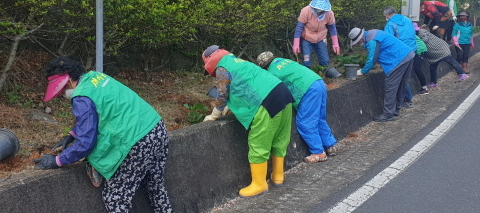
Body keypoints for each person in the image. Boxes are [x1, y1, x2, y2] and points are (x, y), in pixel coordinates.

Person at [34, 56, 172, 213]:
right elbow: (100, 113)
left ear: (68, 81)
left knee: (116, 198)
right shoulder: (95, 77)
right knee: (155, 185)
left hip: (139, 140)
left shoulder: (81, 96)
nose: (62, 94)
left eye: (62, 90)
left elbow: (86, 143)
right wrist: (71, 135)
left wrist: (58, 161)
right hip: (156, 127)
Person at [201, 45, 294, 197]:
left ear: (210, 62)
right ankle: (278, 176)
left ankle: (259, 184)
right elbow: (242, 86)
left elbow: (222, 94)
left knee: (258, 141)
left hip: (266, 101)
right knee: (279, 137)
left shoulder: (222, 68)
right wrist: (228, 107)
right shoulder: (238, 62)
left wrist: (214, 115)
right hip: (282, 92)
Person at [255, 51, 339, 163]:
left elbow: (274, 93)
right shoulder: (284, 61)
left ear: (264, 66)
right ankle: (330, 145)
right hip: (318, 82)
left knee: (305, 121)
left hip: (308, 89)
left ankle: (318, 152)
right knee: (319, 118)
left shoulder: (271, 73)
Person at [348, 28, 414, 122]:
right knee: (401, 84)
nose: (359, 44)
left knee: (391, 87)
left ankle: (388, 114)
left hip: (397, 60)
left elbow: (372, 59)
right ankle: (396, 108)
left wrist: (363, 71)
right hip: (407, 54)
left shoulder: (372, 41)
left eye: (358, 42)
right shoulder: (374, 33)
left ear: (361, 38)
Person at [293, 0, 340, 68]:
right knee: (306, 61)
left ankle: (324, 75)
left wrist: (335, 44)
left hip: (321, 38)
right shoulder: (306, 11)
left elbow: (332, 29)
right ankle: (307, 77)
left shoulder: (329, 14)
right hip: (307, 38)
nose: (319, 12)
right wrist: (296, 44)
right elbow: (299, 28)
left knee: (325, 60)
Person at [383, 6, 417, 107]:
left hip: (400, 52)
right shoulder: (407, 19)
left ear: (387, 15)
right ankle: (407, 99)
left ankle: (406, 99)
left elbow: (387, 40)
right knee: (405, 76)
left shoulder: (390, 23)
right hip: (412, 50)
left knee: (399, 77)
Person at [413, 23, 430, 95]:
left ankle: (424, 88)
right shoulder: (412, 35)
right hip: (419, 51)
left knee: (417, 69)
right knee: (417, 69)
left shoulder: (409, 35)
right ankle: (424, 87)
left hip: (420, 52)